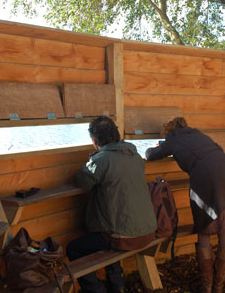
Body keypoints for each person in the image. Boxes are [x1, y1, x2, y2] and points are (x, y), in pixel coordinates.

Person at [145, 117, 225, 293]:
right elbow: (217, 150)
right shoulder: (199, 135)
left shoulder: (173, 139)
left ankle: (207, 286)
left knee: (205, 229)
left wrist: (158, 147)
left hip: (207, 182)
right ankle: (218, 286)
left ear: (169, 131)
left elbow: (150, 155)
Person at [66, 116, 157, 293]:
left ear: (94, 140)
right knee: (111, 233)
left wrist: (93, 158)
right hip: (148, 231)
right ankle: (118, 286)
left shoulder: (101, 160)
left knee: (74, 248)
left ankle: (97, 290)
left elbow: (82, 181)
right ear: (117, 134)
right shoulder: (135, 156)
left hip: (123, 237)